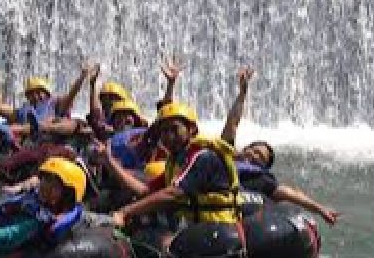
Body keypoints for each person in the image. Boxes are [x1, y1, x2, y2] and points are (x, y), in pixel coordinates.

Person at [217, 66, 341, 225]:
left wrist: (321, 210)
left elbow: (292, 195)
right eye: (253, 150)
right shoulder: (225, 157)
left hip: (242, 220)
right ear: (243, 149)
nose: (254, 155)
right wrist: (242, 94)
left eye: (260, 157)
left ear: (263, 166)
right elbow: (232, 122)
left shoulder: (262, 180)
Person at [109, 102, 241, 247]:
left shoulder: (203, 157)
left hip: (219, 231)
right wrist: (108, 161)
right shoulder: (176, 161)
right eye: (164, 131)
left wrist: (125, 212)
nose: (169, 136)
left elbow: (174, 194)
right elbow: (145, 190)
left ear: (192, 129)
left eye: (174, 129)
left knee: (154, 241)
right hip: (198, 229)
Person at [0, 158, 86, 253]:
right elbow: (32, 185)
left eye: (54, 185)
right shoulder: (40, 200)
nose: (46, 186)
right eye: (46, 179)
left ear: (67, 196)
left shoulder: (35, 222)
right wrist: (19, 187)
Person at [0, 58, 90, 146]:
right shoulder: (23, 110)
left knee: (53, 121)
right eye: (31, 93)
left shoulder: (55, 104)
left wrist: (81, 77)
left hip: (47, 137)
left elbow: (71, 95)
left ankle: (11, 131)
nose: (35, 96)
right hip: (26, 140)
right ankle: (9, 133)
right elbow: (0, 107)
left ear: (47, 93)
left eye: (39, 92)